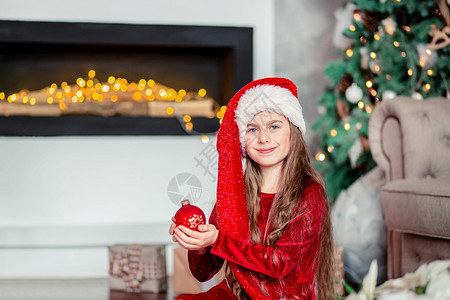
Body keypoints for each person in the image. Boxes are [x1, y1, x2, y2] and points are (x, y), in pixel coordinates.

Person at [169, 78, 335, 300]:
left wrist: (217, 240)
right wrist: (197, 243)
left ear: (292, 131)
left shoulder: (310, 193)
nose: (263, 138)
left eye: (274, 126)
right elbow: (202, 273)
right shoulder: (235, 193)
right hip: (237, 294)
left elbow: (280, 263)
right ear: (241, 140)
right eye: (252, 129)